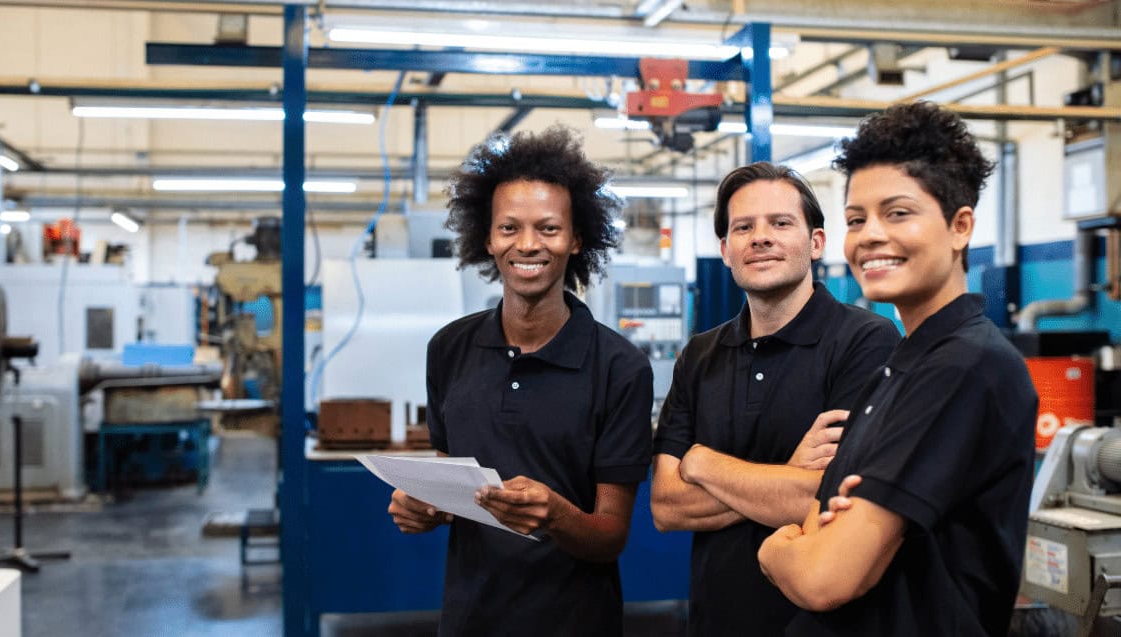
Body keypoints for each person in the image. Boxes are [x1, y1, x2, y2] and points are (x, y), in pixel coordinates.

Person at [758, 101, 1038, 637]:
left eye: (899, 213)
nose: (870, 236)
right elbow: (822, 523)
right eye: (857, 219)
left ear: (960, 227)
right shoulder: (900, 367)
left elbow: (824, 577)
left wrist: (776, 550)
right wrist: (817, 539)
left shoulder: (964, 369)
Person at [387, 125, 654, 636]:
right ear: (487, 238)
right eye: (509, 228)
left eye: (548, 229)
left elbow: (611, 535)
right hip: (469, 619)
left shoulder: (620, 368)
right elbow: (452, 475)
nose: (527, 245)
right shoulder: (449, 349)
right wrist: (424, 504)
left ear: (577, 240)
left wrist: (556, 515)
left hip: (576, 623)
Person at [651, 161, 899, 636]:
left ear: (816, 242)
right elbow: (666, 506)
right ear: (726, 250)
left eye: (781, 223)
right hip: (715, 621)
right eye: (743, 227)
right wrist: (790, 472)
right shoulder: (700, 355)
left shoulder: (866, 341)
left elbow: (832, 497)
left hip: (824, 626)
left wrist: (703, 464)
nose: (760, 237)